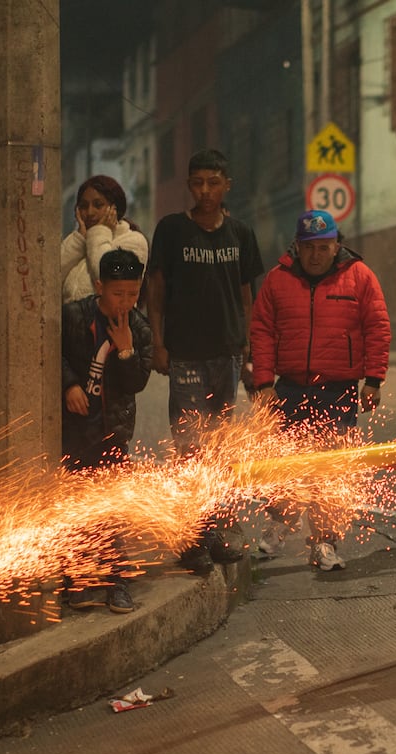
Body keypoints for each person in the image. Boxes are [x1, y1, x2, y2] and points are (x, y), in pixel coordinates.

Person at [250, 210, 391, 570]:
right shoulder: (277, 280)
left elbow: (377, 327)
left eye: (324, 247)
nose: (316, 255)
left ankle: (326, 542)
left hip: (338, 389)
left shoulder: (360, 277)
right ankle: (281, 522)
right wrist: (263, 383)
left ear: (337, 245)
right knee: (283, 465)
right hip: (290, 389)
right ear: (297, 247)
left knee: (331, 470)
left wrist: (374, 379)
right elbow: (262, 331)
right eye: (309, 247)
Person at [146, 149, 264, 571]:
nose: (205, 191)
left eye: (213, 182)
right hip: (187, 355)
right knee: (189, 447)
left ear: (226, 184)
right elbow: (156, 289)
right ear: (189, 186)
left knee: (218, 448)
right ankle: (190, 539)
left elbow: (246, 294)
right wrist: (158, 342)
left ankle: (213, 532)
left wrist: (247, 345)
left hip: (226, 355)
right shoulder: (172, 230)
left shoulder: (240, 234)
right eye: (197, 183)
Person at [60, 248, 153, 612]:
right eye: (118, 294)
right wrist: (69, 385)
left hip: (114, 432)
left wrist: (127, 351)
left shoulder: (139, 328)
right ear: (100, 287)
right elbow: (56, 355)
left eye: (133, 294)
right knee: (75, 506)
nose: (125, 303)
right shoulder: (74, 316)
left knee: (112, 509)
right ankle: (79, 580)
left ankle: (116, 581)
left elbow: (138, 382)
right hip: (76, 430)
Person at [61, 175, 149, 304]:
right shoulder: (79, 241)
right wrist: (79, 238)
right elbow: (49, 278)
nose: (90, 212)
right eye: (84, 206)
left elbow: (108, 280)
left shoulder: (134, 241)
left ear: (114, 209)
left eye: (98, 205)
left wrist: (100, 232)